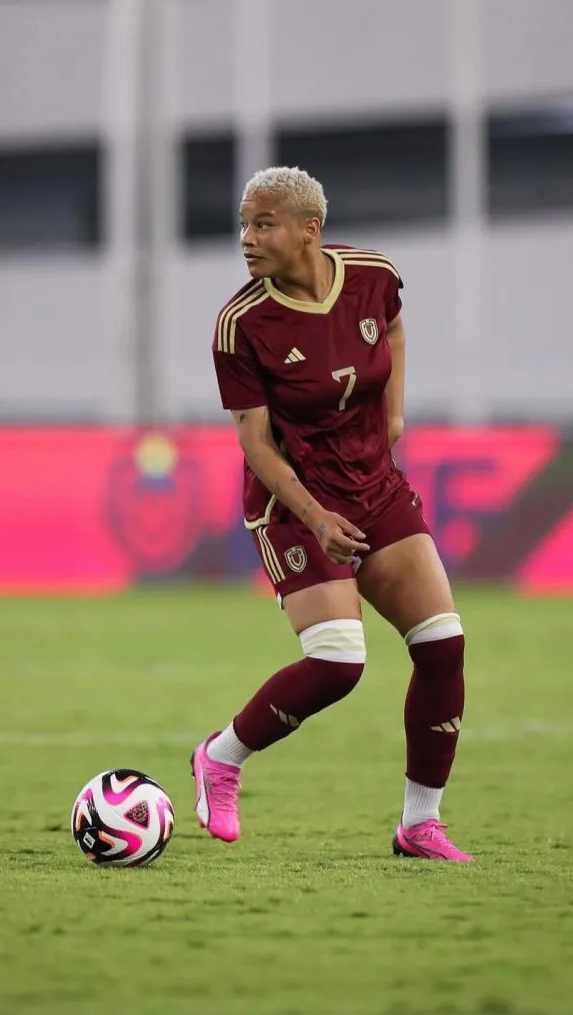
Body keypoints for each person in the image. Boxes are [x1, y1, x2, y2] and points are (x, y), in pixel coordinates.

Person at [192, 166, 472, 861]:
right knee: (339, 664)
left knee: (443, 647)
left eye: (263, 224)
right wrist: (316, 517)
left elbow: (395, 329)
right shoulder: (242, 324)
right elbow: (256, 445)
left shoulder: (374, 275)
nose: (247, 239)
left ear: (308, 230)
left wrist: (395, 413)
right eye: (243, 224)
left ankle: (420, 823)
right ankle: (221, 758)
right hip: (294, 503)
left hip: (375, 486)